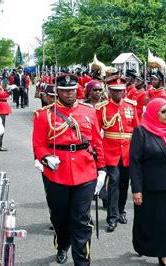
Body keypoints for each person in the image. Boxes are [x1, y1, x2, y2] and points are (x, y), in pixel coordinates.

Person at [32, 74, 106, 265]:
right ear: (57, 91)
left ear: (77, 89)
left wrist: (102, 169)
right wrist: (47, 157)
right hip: (57, 172)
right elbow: (39, 145)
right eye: (64, 90)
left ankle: (82, 261)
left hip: (85, 171)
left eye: (72, 89)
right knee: (59, 216)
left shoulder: (88, 111)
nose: (69, 93)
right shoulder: (44, 114)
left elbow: (97, 141)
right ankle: (63, 244)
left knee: (81, 219)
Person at [129, 98, 166, 266]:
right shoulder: (142, 132)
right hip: (150, 186)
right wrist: (136, 189)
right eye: (163, 111)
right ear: (154, 113)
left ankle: (164, 254)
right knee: (146, 220)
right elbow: (135, 162)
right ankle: (141, 245)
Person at [95, 76, 139, 232]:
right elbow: (96, 132)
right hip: (110, 151)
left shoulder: (130, 106)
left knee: (124, 183)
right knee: (113, 183)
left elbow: (137, 128)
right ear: (109, 91)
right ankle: (112, 217)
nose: (119, 94)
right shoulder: (102, 108)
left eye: (121, 91)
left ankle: (121, 211)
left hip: (127, 151)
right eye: (115, 91)